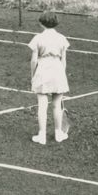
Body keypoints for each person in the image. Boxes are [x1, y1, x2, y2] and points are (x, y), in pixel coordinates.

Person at [28, 12, 70, 145]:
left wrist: (32, 76)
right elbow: (64, 60)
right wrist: (61, 75)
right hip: (57, 70)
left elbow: (34, 61)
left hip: (43, 70)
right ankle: (59, 133)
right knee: (57, 105)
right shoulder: (62, 38)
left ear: (41, 23)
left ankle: (42, 136)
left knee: (42, 105)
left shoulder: (38, 38)